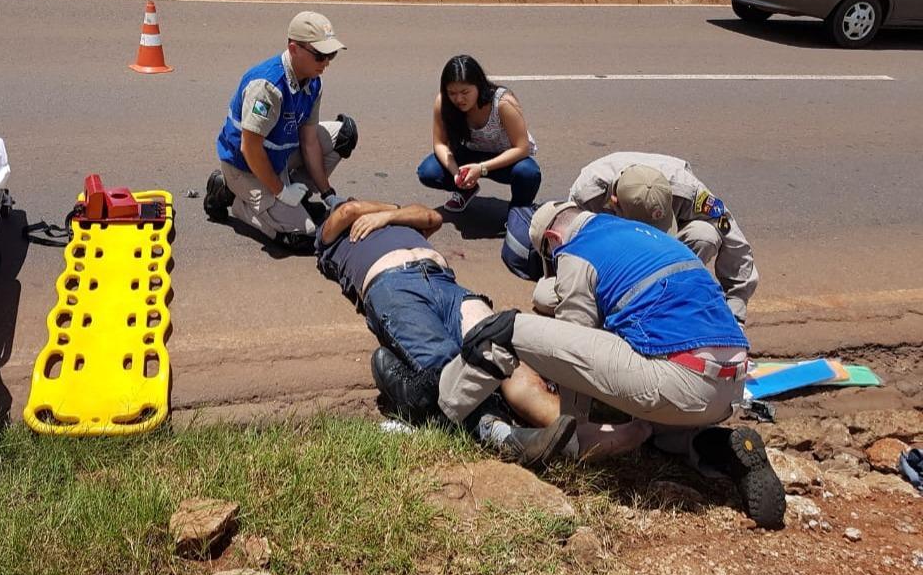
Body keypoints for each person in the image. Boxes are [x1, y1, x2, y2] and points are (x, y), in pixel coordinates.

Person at [439, 201, 786, 528]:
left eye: (548, 257)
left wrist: (570, 423)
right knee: (661, 431)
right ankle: (717, 447)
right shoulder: (637, 234)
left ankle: (445, 415)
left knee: (502, 329)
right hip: (728, 386)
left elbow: (572, 345)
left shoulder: (577, 251)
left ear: (552, 239)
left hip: (679, 378)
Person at [314, 196, 577, 467]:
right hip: (393, 284)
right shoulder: (330, 239)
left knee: (499, 349)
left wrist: (387, 216)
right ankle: (502, 434)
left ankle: (575, 436)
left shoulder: (395, 221)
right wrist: (385, 211)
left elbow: (432, 218)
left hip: (443, 281)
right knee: (448, 364)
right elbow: (348, 210)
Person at [204, 12, 358, 253]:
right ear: (294, 48)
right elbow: (250, 149)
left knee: (344, 134)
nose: (326, 62)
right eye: (320, 55)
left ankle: (294, 198)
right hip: (245, 167)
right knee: (302, 238)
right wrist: (281, 191)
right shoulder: (267, 87)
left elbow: (309, 142)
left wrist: (328, 194)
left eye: (331, 55)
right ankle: (231, 194)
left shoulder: (313, 81)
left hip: (279, 156)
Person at [566, 152, 758, 323]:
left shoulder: (686, 189)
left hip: (666, 254)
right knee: (550, 297)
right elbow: (569, 248)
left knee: (704, 235)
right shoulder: (587, 195)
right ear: (614, 203)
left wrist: (736, 308)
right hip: (613, 254)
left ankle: (671, 295)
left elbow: (733, 239)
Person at [417, 55, 540, 214]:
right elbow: (439, 144)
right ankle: (466, 190)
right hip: (469, 153)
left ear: (479, 85)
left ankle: (518, 212)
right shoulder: (444, 102)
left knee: (528, 173)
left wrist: (481, 168)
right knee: (428, 171)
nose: (459, 99)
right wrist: (456, 173)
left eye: (465, 92)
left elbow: (521, 148)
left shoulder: (503, 103)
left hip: (505, 157)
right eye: (452, 93)